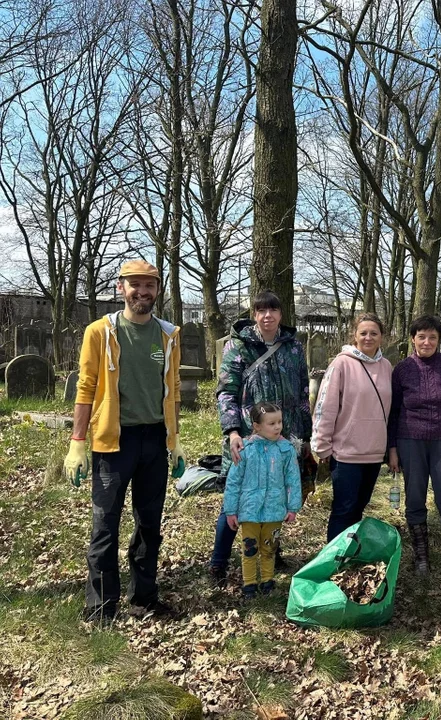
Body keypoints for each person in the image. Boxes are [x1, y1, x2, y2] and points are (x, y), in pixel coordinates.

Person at [64, 260, 185, 624]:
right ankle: (101, 605)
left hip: (154, 441)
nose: (142, 292)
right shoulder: (100, 332)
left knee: (149, 523)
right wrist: (77, 442)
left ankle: (144, 597)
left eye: (149, 285)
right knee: (105, 525)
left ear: (158, 290)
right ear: (121, 288)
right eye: (135, 285)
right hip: (113, 442)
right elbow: (85, 388)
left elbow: (174, 388)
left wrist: (174, 439)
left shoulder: (168, 334)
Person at [209, 291, 311, 585]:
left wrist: (304, 437)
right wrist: (232, 432)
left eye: (273, 310)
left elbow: (303, 393)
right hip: (248, 438)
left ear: (281, 314)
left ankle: (271, 553)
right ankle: (218, 562)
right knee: (240, 500)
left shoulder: (292, 348)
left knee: (275, 497)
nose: (268, 316)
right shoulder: (238, 346)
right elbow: (226, 391)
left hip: (283, 437)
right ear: (254, 314)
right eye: (261, 311)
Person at [387, 316, 441, 579]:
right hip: (410, 441)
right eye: (421, 336)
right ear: (412, 338)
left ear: (439, 340)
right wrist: (392, 448)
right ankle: (421, 557)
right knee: (414, 499)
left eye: (432, 337)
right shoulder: (402, 369)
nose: (427, 342)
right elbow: (393, 411)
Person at [312, 312, 393, 541]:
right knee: (343, 509)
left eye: (374, 333)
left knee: (359, 507)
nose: (368, 337)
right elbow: (325, 406)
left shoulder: (386, 366)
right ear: (354, 336)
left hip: (374, 452)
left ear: (382, 337)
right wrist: (321, 444)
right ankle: (334, 560)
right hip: (347, 452)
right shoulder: (341, 364)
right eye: (363, 333)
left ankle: (351, 555)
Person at [223, 402, 303, 599]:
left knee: (269, 548)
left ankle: (267, 582)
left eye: (279, 422)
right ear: (256, 426)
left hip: (275, 510)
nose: (277, 427)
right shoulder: (245, 449)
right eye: (271, 423)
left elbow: (293, 479)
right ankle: (249, 584)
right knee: (249, 549)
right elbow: (233, 482)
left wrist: (292, 507)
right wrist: (230, 511)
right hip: (249, 511)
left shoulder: (286, 450)